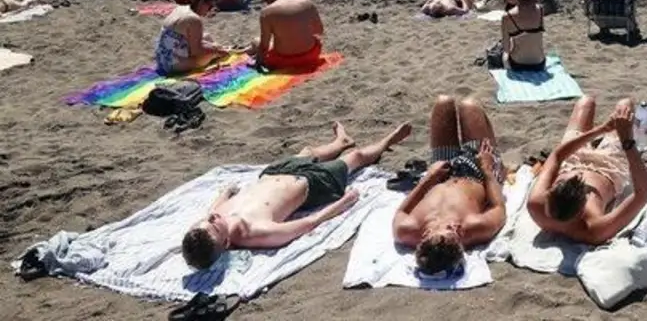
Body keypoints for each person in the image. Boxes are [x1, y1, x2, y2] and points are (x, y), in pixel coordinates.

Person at [181, 120, 411, 269]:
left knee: (308, 151)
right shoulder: (255, 232)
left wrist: (225, 193)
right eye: (212, 225)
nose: (211, 218)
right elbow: (309, 223)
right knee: (356, 157)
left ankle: (340, 141)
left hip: (274, 173)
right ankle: (387, 141)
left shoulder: (210, 222)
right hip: (311, 184)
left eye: (203, 223)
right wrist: (343, 202)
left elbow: (212, 212)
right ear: (227, 242)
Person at [393, 95, 507, 275]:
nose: (455, 227)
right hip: (475, 173)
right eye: (457, 235)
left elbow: (401, 212)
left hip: (440, 171)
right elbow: (498, 207)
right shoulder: (474, 228)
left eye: (448, 229)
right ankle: (498, 159)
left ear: (424, 237)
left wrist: (428, 179)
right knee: (469, 106)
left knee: (443, 102)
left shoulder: (406, 231)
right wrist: (487, 169)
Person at [526, 96, 647, 245]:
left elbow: (557, 156)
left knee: (586, 102)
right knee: (625, 106)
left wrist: (600, 130)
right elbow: (645, 192)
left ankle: (601, 133)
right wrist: (627, 140)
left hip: (571, 160)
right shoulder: (594, 229)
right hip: (609, 167)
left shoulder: (536, 205)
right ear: (582, 207)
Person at [249, 0, 325, 71]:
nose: (267, 2)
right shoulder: (308, 2)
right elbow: (319, 30)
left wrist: (258, 63)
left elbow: (264, 46)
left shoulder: (266, 12)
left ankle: (248, 49)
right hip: (311, 55)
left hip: (284, 61)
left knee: (256, 41)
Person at [155, 0, 234, 75]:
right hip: (170, 64)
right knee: (208, 56)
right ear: (201, 3)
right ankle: (223, 52)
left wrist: (214, 47)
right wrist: (216, 50)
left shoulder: (181, 8)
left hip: (162, 56)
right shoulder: (194, 19)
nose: (210, 10)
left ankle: (221, 49)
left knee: (207, 37)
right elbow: (196, 51)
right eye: (210, 6)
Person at [501, 0, 546, 72]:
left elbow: (506, 48)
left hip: (518, 63)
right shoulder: (541, 10)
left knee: (501, 54)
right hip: (539, 63)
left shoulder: (508, 16)